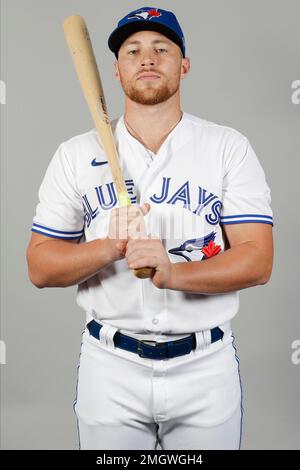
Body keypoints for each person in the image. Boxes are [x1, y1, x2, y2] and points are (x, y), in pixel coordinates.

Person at [26, 6, 274, 450]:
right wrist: (110, 246)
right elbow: (41, 268)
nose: (147, 58)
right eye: (132, 50)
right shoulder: (75, 155)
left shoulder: (227, 147)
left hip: (206, 366)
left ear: (184, 65)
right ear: (117, 73)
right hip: (111, 366)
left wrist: (173, 273)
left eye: (162, 48)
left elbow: (257, 261)